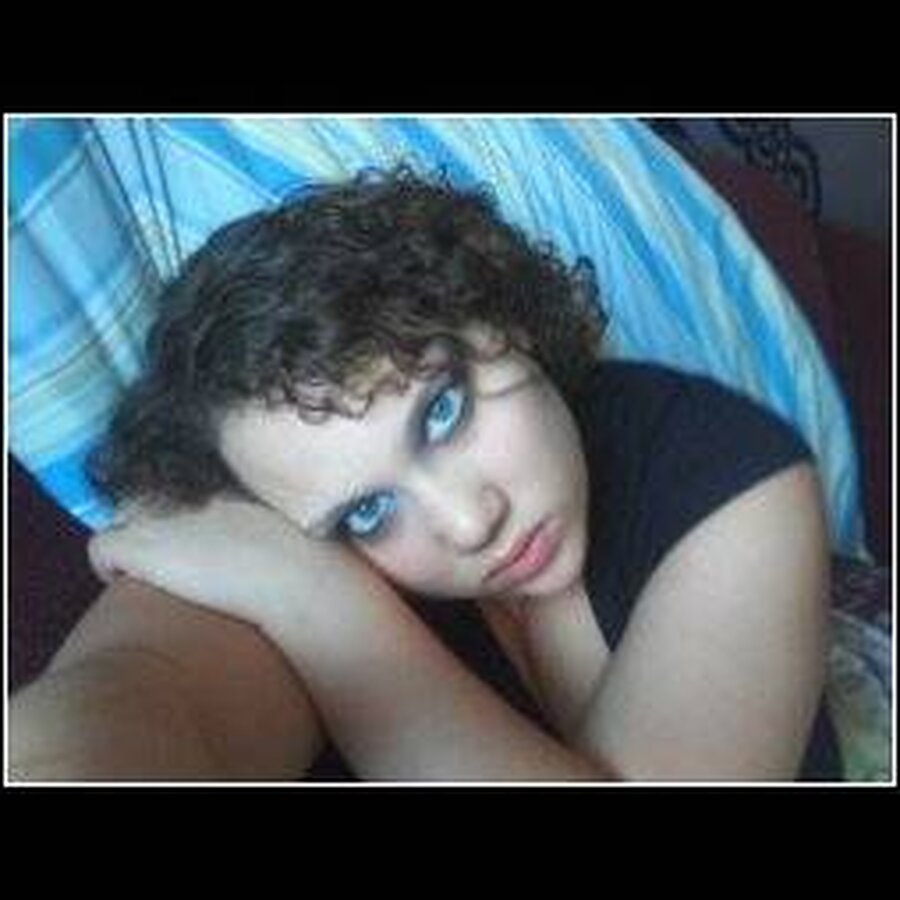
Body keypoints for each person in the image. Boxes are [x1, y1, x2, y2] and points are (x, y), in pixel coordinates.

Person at [9, 166, 840, 781]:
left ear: (502, 313)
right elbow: (129, 710)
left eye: (444, 411)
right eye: (368, 511)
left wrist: (319, 604)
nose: (470, 523)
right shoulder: (291, 534)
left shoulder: (728, 469)